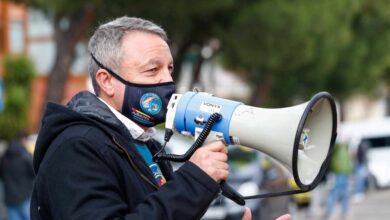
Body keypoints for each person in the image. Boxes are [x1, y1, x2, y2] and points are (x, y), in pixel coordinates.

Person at [30, 16, 290, 220]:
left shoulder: (141, 144)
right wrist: (194, 180)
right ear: (106, 81)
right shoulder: (77, 147)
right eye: (152, 70)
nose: (166, 80)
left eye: (169, 68)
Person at [0, 131, 34, 220]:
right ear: (23, 140)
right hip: (25, 197)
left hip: (10, 199)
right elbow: (34, 174)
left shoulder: (4, 157)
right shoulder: (25, 156)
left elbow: (2, 175)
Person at [323, 142, 353, 220]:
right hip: (338, 173)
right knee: (335, 193)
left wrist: (350, 171)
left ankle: (343, 212)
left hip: (343, 173)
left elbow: (348, 161)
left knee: (343, 194)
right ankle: (329, 213)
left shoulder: (345, 147)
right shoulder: (338, 146)